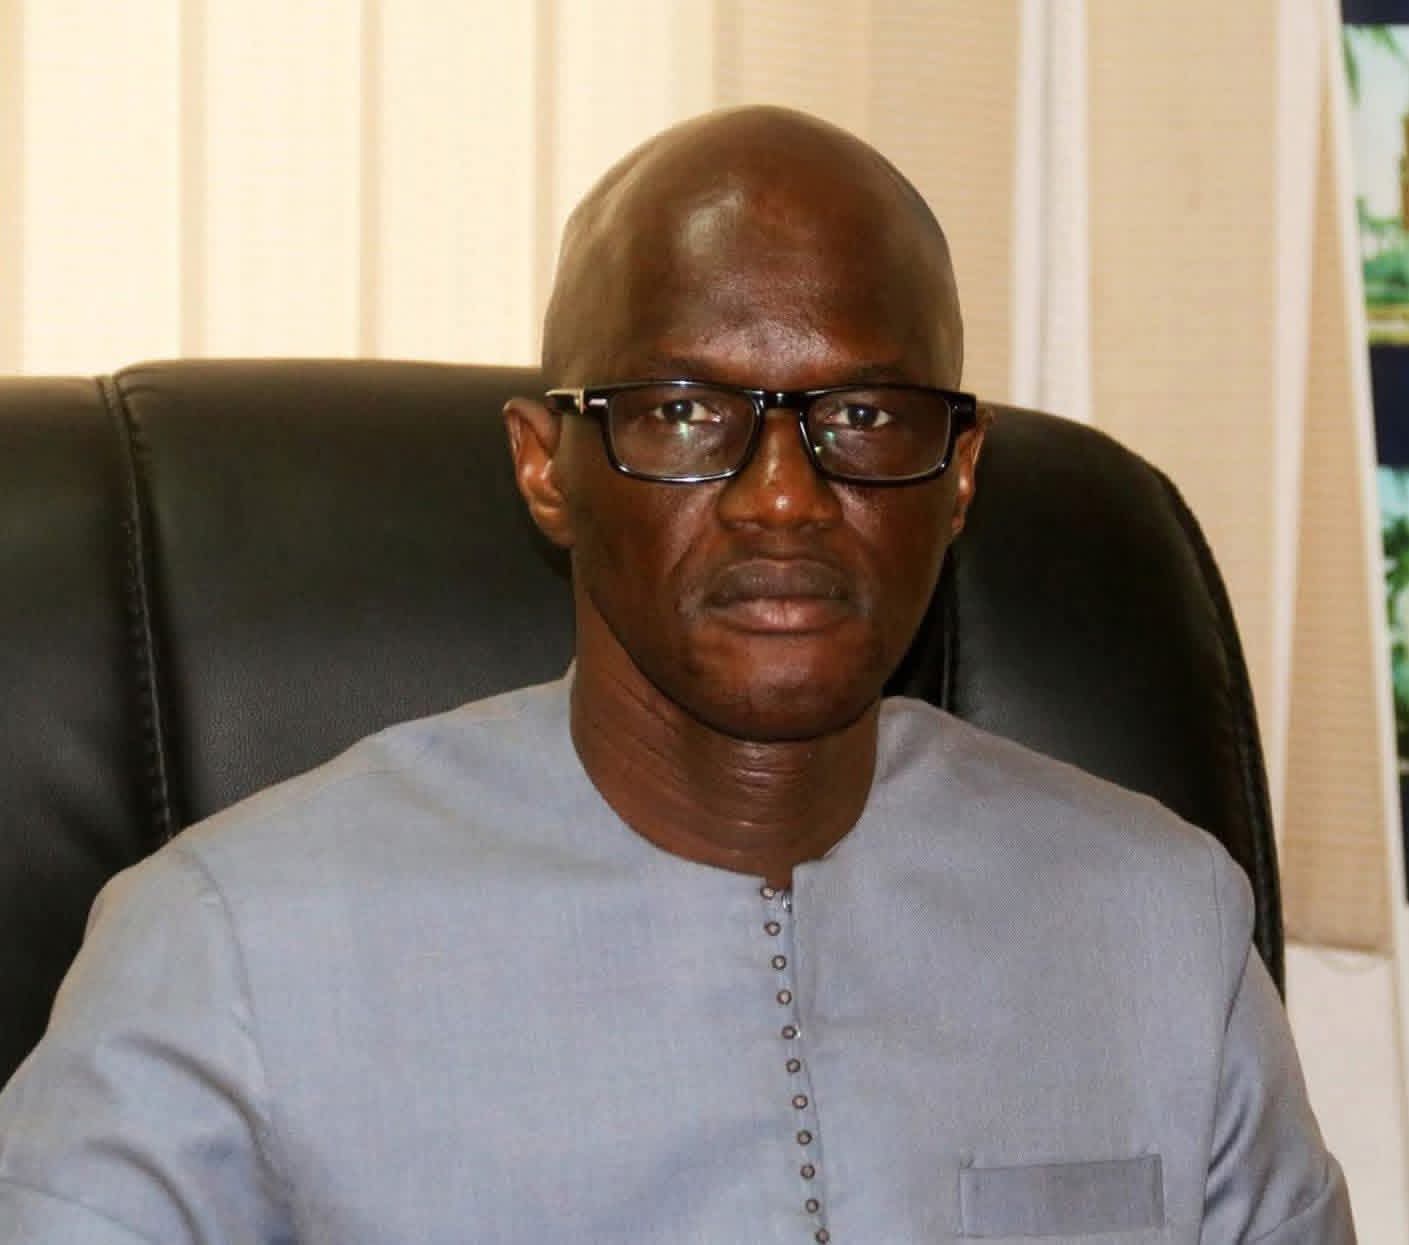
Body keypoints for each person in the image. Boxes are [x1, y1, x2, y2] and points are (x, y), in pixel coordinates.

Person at [0, 106, 1353, 1243]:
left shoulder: (1159, 929)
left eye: (862, 414)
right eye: (688, 412)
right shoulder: (233, 948)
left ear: (959, 475)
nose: (784, 497)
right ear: (546, 466)